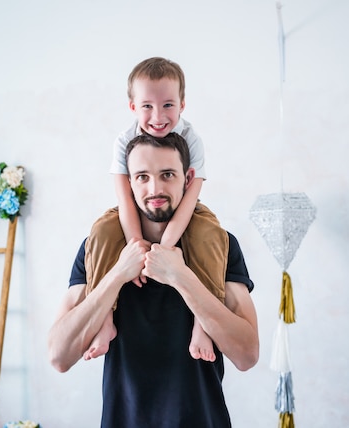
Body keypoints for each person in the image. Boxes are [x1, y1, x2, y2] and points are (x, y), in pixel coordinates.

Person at [48, 132, 259, 428]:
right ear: (129, 182)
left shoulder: (220, 244)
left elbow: (247, 354)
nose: (155, 188)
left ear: (188, 179)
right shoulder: (99, 248)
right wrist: (118, 273)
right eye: (142, 177)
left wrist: (181, 276)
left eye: (167, 175)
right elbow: (59, 356)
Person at [83, 57, 229, 363]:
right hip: (134, 208)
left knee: (209, 234)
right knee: (101, 231)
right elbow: (125, 199)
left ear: (182, 105)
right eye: (148, 106)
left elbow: (190, 198)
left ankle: (203, 324)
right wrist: (137, 246)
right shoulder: (124, 141)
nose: (158, 116)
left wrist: (162, 250)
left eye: (168, 105)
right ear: (133, 107)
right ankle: (104, 319)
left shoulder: (193, 140)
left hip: (182, 208)